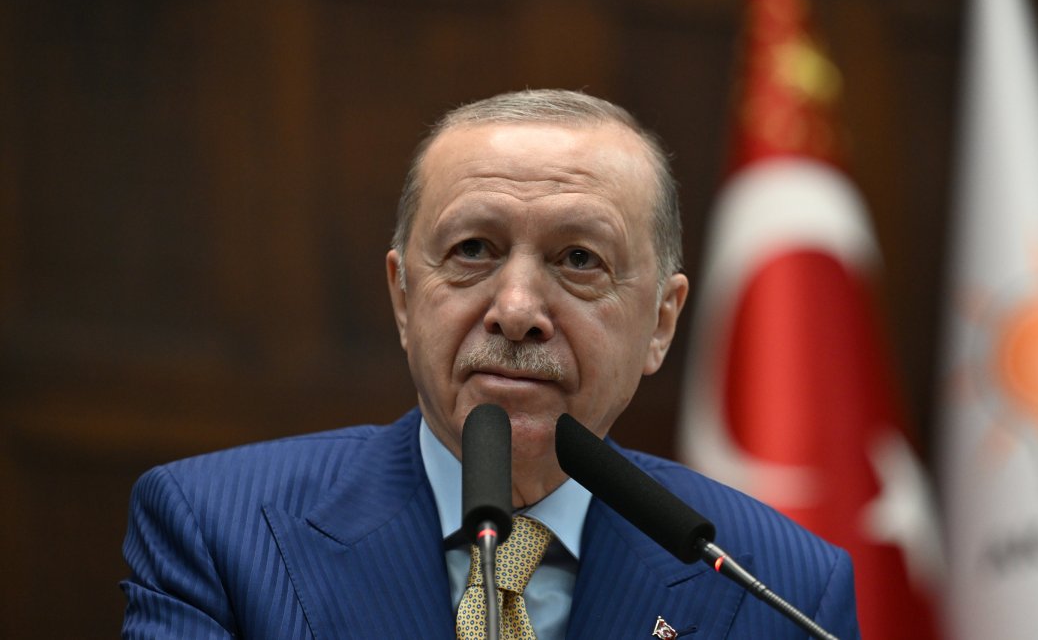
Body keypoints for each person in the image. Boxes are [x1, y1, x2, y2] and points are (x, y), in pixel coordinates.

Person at [120, 89, 861, 639]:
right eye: (473, 249)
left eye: (578, 259)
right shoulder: (217, 529)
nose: (516, 309)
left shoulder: (779, 584)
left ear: (661, 323)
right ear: (404, 296)